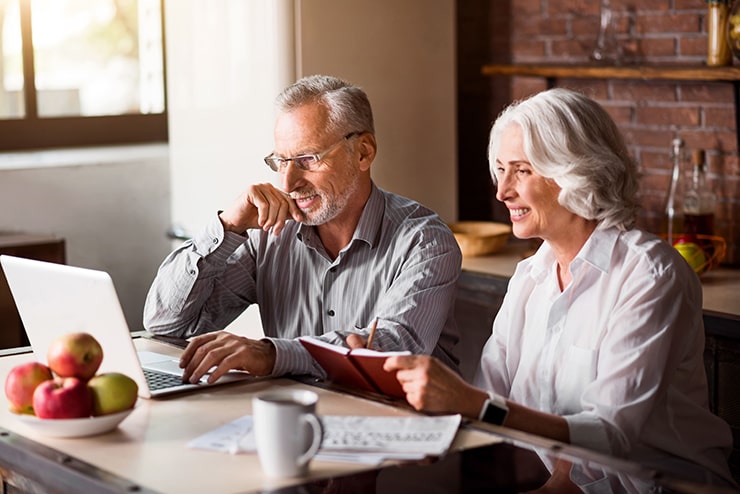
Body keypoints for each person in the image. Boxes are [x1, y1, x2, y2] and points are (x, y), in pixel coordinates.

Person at [382, 88, 736, 490]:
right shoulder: (530, 278)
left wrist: (473, 404)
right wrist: (382, 379)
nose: (502, 191)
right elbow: (485, 402)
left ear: (576, 172)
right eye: (500, 170)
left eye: (522, 170)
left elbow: (609, 435)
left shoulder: (650, 275)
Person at [143, 74, 461, 385]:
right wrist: (228, 225)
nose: (288, 183)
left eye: (307, 159)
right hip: (299, 422)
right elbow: (165, 323)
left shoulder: (425, 241)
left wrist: (272, 355)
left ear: (363, 152)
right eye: (281, 161)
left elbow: (389, 353)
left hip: (397, 427)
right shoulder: (268, 236)